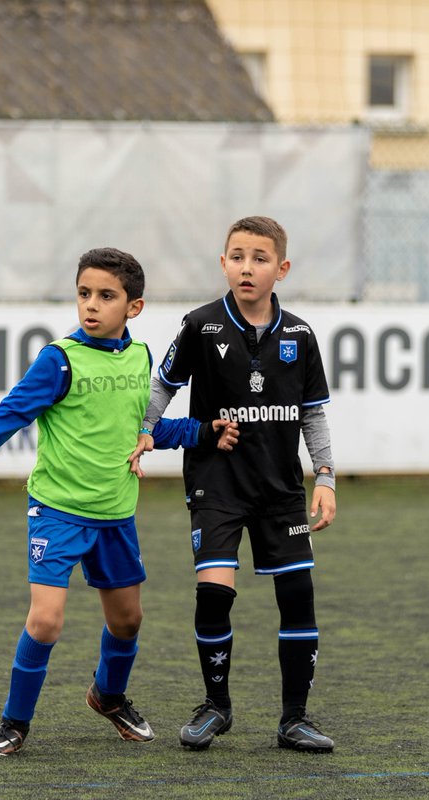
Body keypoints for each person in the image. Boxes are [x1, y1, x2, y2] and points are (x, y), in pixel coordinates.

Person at [0, 247, 238, 756]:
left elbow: (143, 429)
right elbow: (8, 415)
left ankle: (108, 696)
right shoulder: (59, 359)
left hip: (115, 515)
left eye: (106, 296)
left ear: (133, 307)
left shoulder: (140, 357)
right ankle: (14, 723)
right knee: (45, 621)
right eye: (84, 293)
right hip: (58, 512)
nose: (91, 304)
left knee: (128, 621)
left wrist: (202, 431)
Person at [129, 216, 338, 753]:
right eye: (238, 257)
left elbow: (313, 413)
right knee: (214, 592)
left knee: (298, 595)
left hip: (280, 490)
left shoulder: (300, 335)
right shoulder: (201, 325)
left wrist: (326, 477)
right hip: (216, 482)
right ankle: (216, 706)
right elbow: (163, 385)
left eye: (260, 258)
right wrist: (147, 430)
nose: (247, 268)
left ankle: (294, 719)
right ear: (223, 264)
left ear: (281, 269)